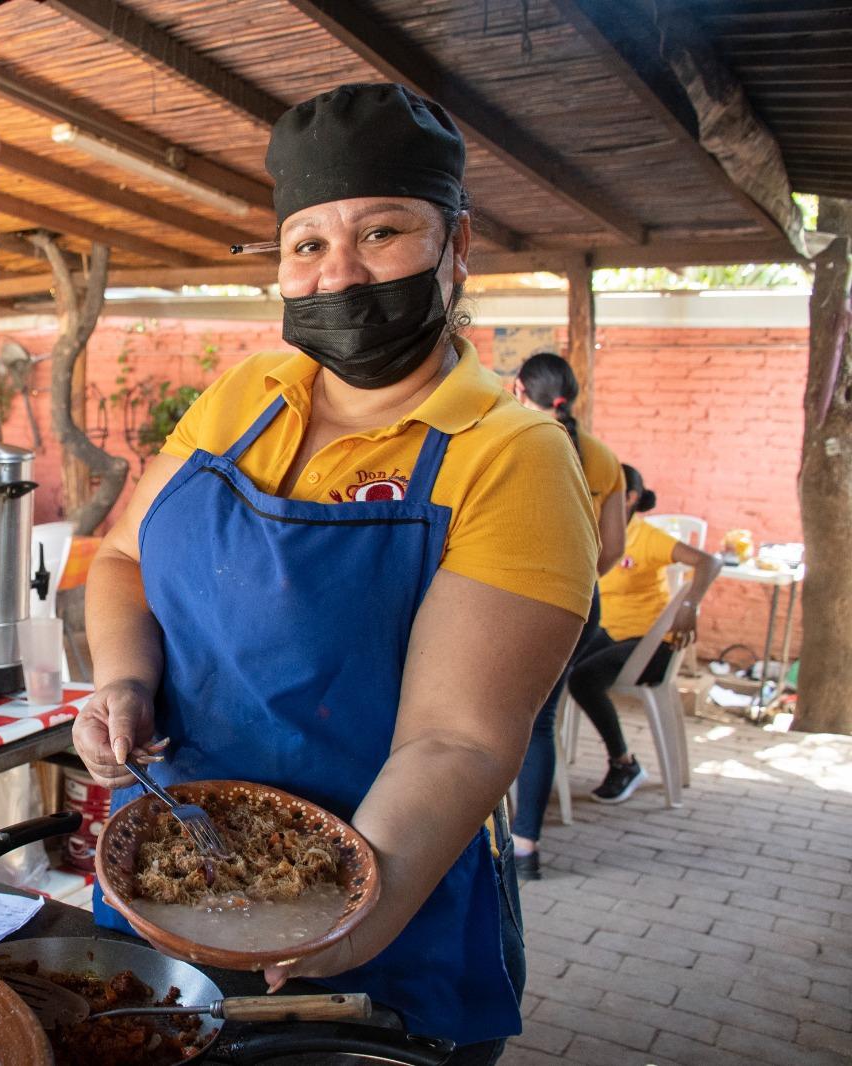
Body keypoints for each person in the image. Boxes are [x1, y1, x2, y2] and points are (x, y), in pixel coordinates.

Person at [73, 83, 599, 1062]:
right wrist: (124, 682)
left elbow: (456, 741)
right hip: (165, 877)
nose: (338, 271)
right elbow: (122, 558)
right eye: (307, 242)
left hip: (371, 913)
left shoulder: (510, 452)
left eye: (383, 231)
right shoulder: (246, 394)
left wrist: (327, 914)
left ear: (457, 245)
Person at [507, 353, 625, 879]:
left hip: (508, 600)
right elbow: (612, 549)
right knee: (540, 723)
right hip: (580, 602)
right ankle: (526, 847)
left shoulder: (511, 441)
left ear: (517, 388)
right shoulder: (602, 457)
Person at [569, 465, 722, 802]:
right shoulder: (594, 533)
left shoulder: (645, 536)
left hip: (651, 645)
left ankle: (624, 763)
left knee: (583, 679)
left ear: (630, 498)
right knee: (558, 664)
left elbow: (709, 562)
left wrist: (690, 605)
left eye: (606, 496)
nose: (597, 502)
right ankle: (546, 759)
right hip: (610, 632)